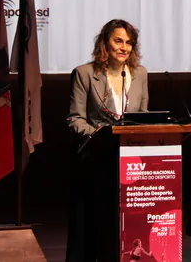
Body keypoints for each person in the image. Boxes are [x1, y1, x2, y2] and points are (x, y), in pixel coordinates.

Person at [65, 19, 149, 262]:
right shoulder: (84, 74)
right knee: (89, 230)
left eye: (129, 43)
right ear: (105, 43)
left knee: (119, 231)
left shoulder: (140, 74)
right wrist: (100, 135)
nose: (124, 48)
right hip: (94, 160)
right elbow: (75, 119)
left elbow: (142, 117)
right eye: (118, 41)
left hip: (129, 163)